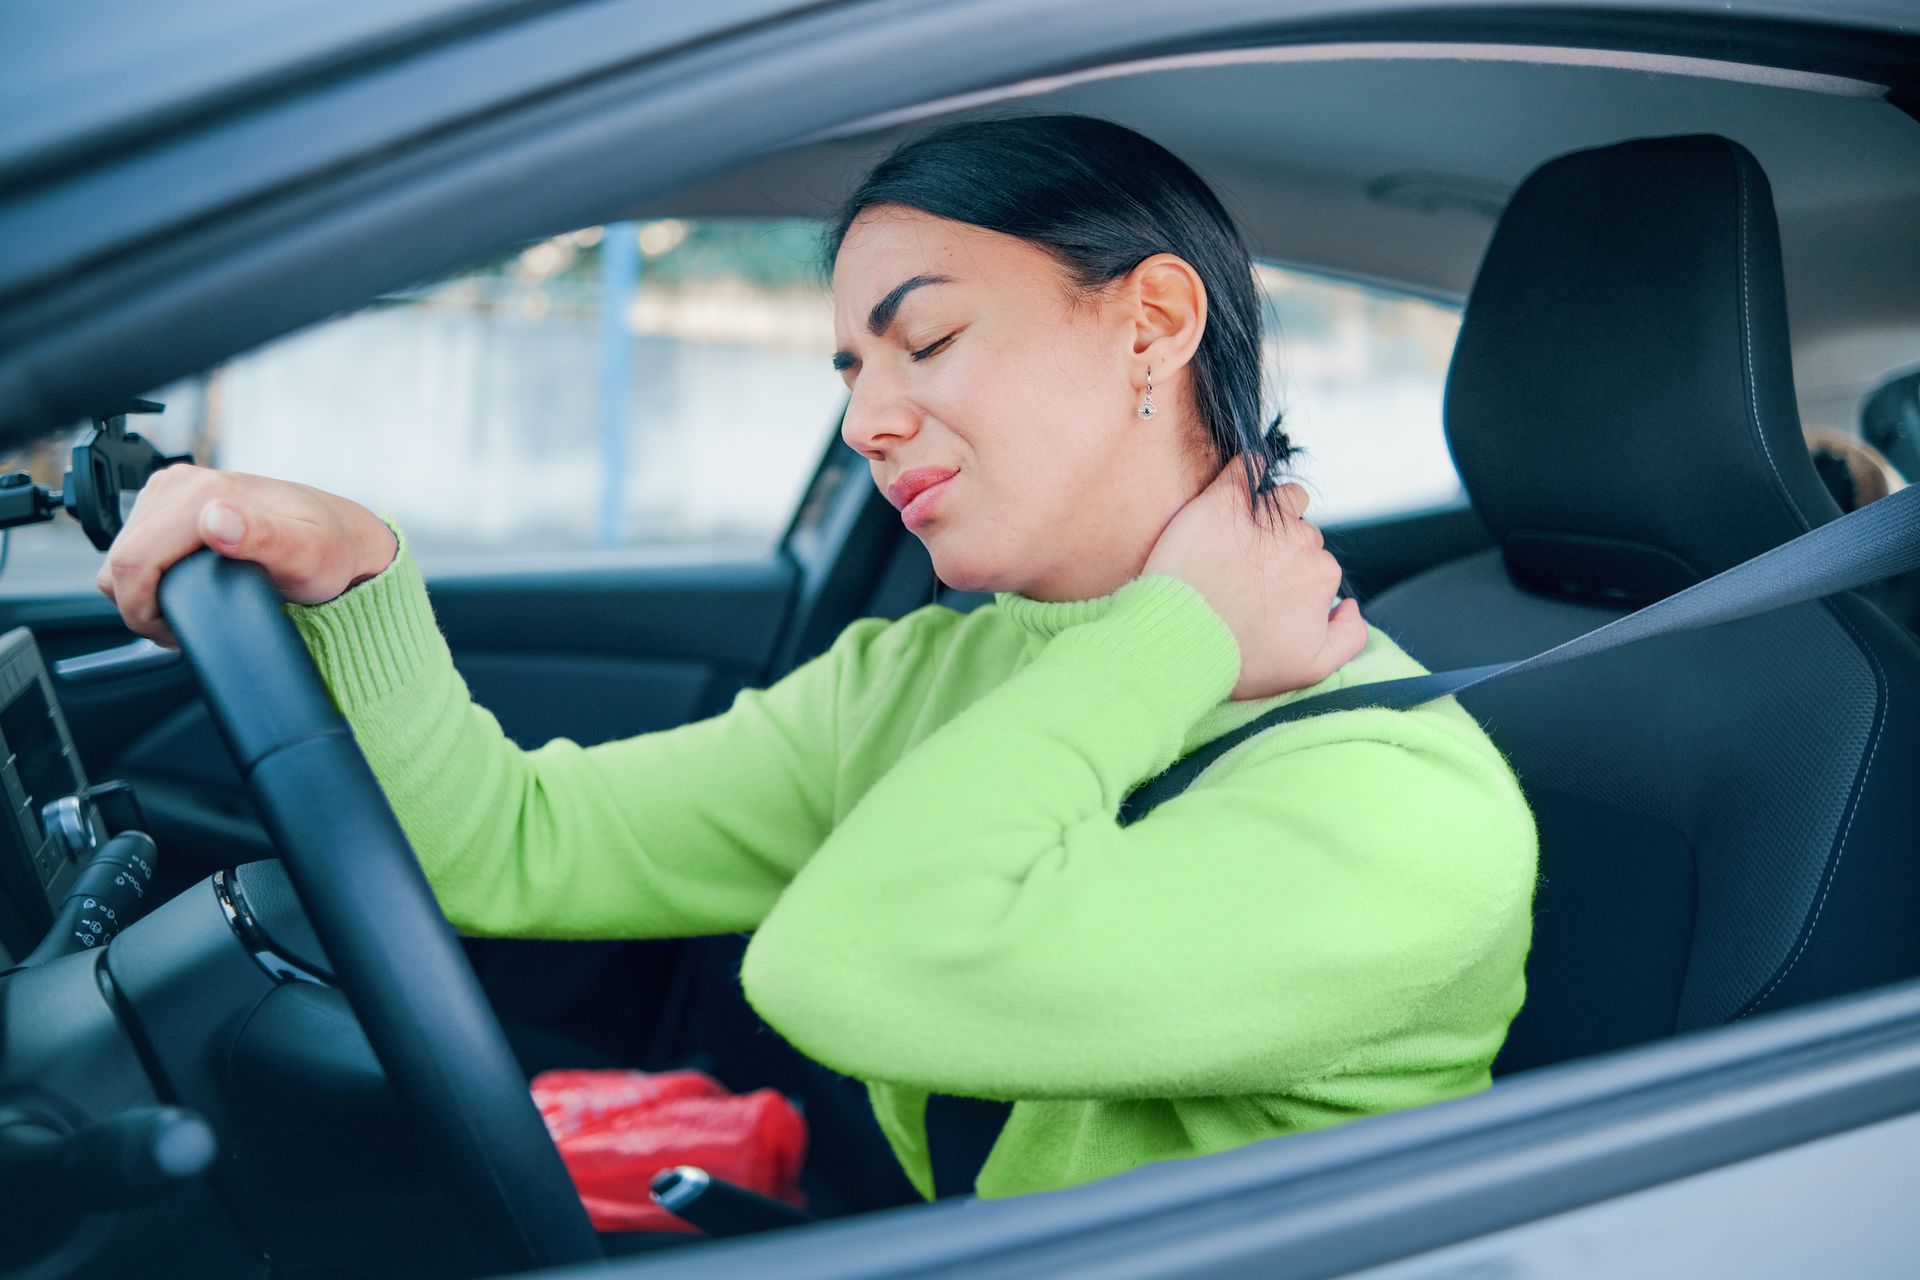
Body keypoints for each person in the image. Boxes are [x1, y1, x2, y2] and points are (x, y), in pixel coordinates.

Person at [96, 113, 1539, 1204]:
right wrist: (359, 573)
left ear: (1153, 323)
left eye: (929, 340)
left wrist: (1179, 635)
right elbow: (511, 849)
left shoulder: (1407, 806)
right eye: (850, 371)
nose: (866, 420)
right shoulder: (916, 679)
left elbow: (856, 962)